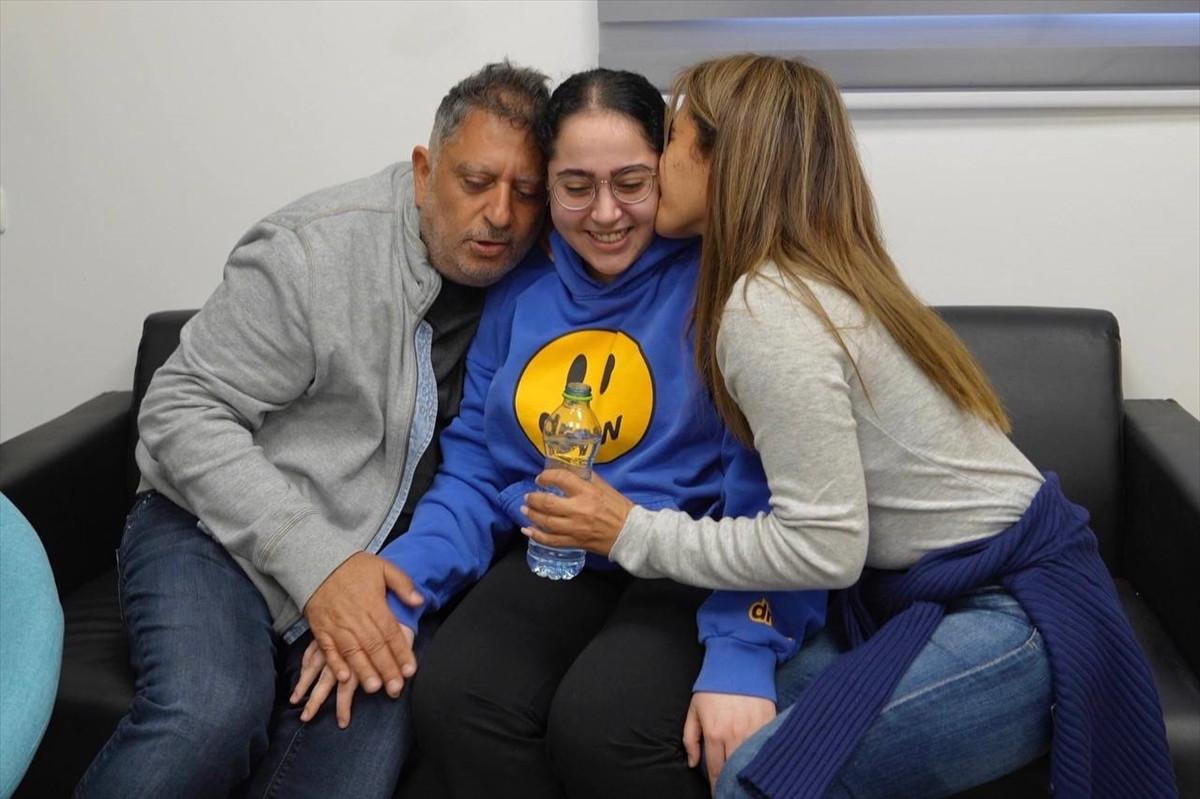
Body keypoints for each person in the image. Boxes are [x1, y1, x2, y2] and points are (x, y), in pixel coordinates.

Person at [522, 54, 1176, 799]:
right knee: (691, 730)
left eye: (673, 139)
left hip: (1018, 611)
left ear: (723, 160)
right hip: (949, 590)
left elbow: (824, 547)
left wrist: (628, 530)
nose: (659, 161)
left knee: (757, 780)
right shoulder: (811, 274)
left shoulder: (769, 311)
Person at [293, 68, 824, 798]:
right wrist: (399, 588)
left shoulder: (728, 289)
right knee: (455, 696)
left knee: (603, 723)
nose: (605, 213)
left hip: (694, 559)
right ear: (547, 187)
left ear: (670, 169)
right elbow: (477, 471)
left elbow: (772, 499)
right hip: (557, 555)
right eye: (576, 187)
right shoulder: (519, 290)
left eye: (631, 183)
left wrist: (743, 648)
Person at [75, 61, 552, 799]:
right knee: (212, 714)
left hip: (383, 569)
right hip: (212, 532)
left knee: (346, 774)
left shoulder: (540, 282)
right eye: (477, 181)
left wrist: (374, 588)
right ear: (425, 172)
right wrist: (321, 564)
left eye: (526, 192)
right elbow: (180, 407)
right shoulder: (314, 249)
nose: (501, 215)